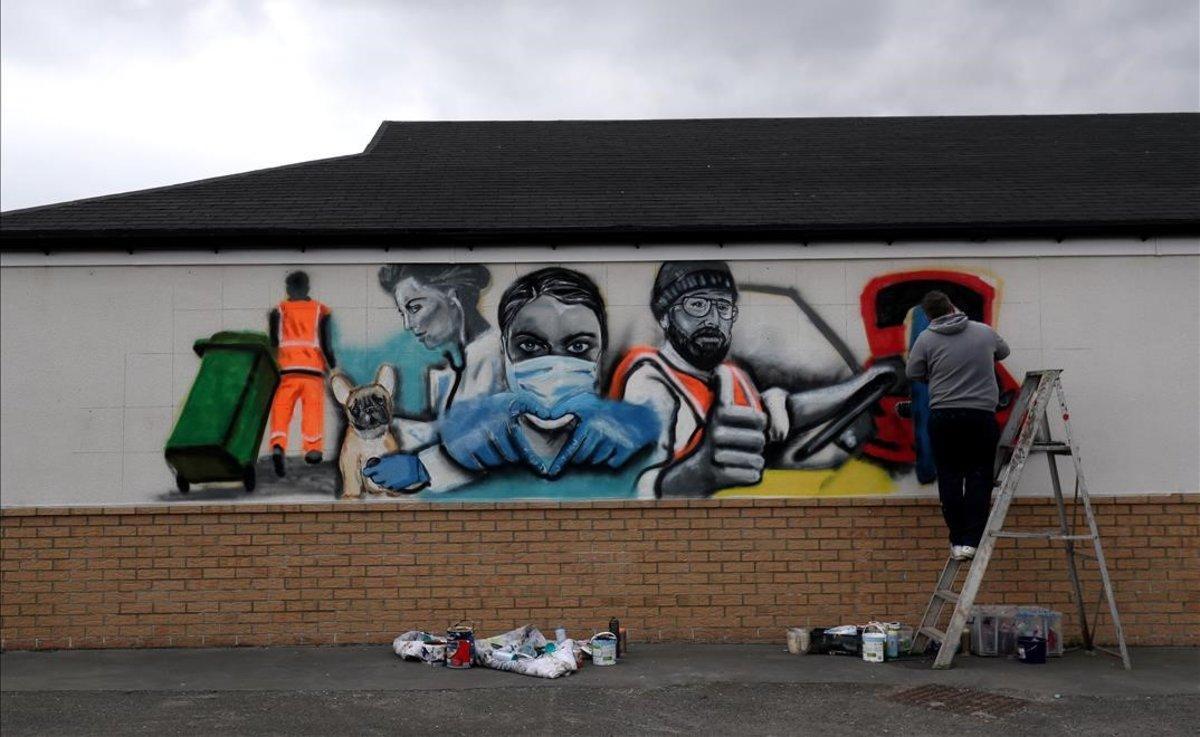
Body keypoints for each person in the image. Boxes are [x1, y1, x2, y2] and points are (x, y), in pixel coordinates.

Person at [609, 261, 897, 498]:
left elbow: (786, 416)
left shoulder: (730, 376)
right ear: (665, 317)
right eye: (697, 305)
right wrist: (699, 472)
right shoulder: (650, 379)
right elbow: (639, 489)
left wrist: (865, 383)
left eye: (723, 307)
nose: (712, 319)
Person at [364, 267, 659, 493]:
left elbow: (488, 440)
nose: (553, 364)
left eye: (578, 347)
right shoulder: (455, 367)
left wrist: (424, 467)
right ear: (507, 350)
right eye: (530, 347)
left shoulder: (489, 365)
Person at [905, 290, 1011, 561]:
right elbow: (1004, 351)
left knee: (950, 477)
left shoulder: (926, 338)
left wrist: (938, 371)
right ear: (952, 307)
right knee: (979, 476)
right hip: (980, 417)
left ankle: (957, 540)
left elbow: (913, 372)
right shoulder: (984, 332)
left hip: (945, 418)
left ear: (928, 315)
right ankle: (972, 541)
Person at [377, 263, 504, 450]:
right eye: (402, 313)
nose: (407, 324)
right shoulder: (453, 367)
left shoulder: (493, 356)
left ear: (454, 298)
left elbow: (475, 441)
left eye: (414, 308)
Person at [268, 270, 336, 477]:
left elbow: (273, 342)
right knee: (312, 409)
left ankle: (279, 444)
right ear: (307, 287)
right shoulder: (320, 311)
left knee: (282, 408)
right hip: (313, 369)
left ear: (288, 289)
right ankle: (313, 450)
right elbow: (326, 343)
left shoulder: (278, 310)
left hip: (286, 369)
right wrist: (331, 365)